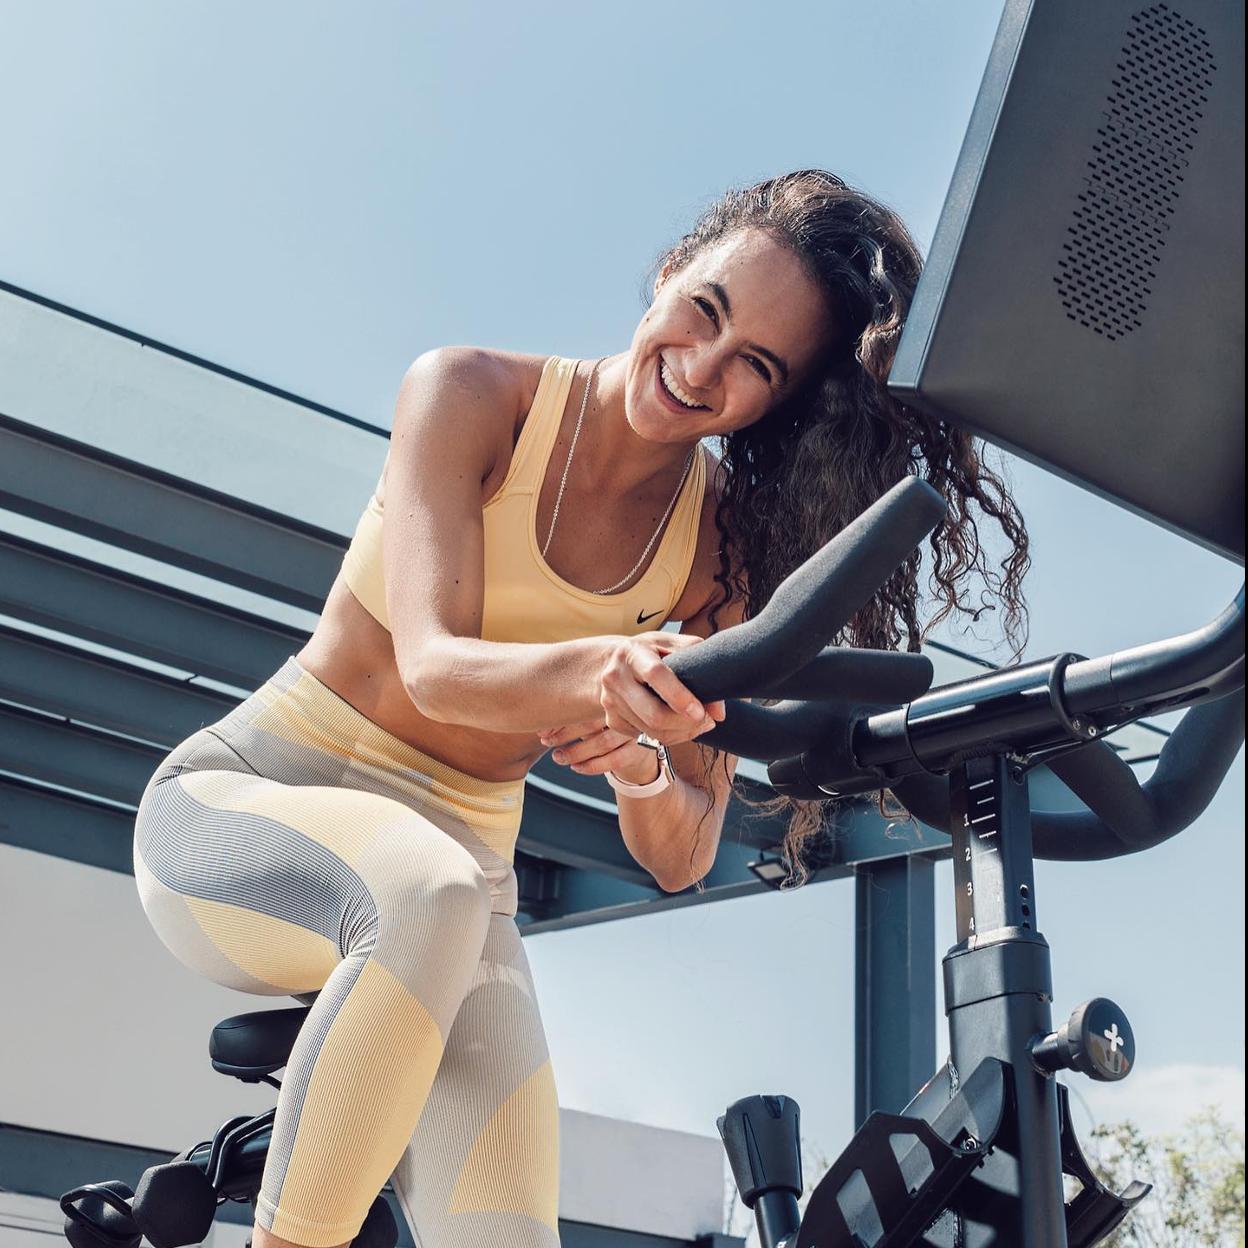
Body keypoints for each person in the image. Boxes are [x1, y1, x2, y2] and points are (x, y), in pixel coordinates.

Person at [131, 170, 1029, 1248]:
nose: (702, 369)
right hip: (251, 803)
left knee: (508, 1226)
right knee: (433, 891)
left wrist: (641, 763)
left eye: (754, 367)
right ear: (666, 274)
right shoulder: (472, 393)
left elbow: (683, 852)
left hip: (462, 889)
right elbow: (432, 665)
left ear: (778, 405)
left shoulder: (715, 560)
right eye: (705, 310)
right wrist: (602, 665)